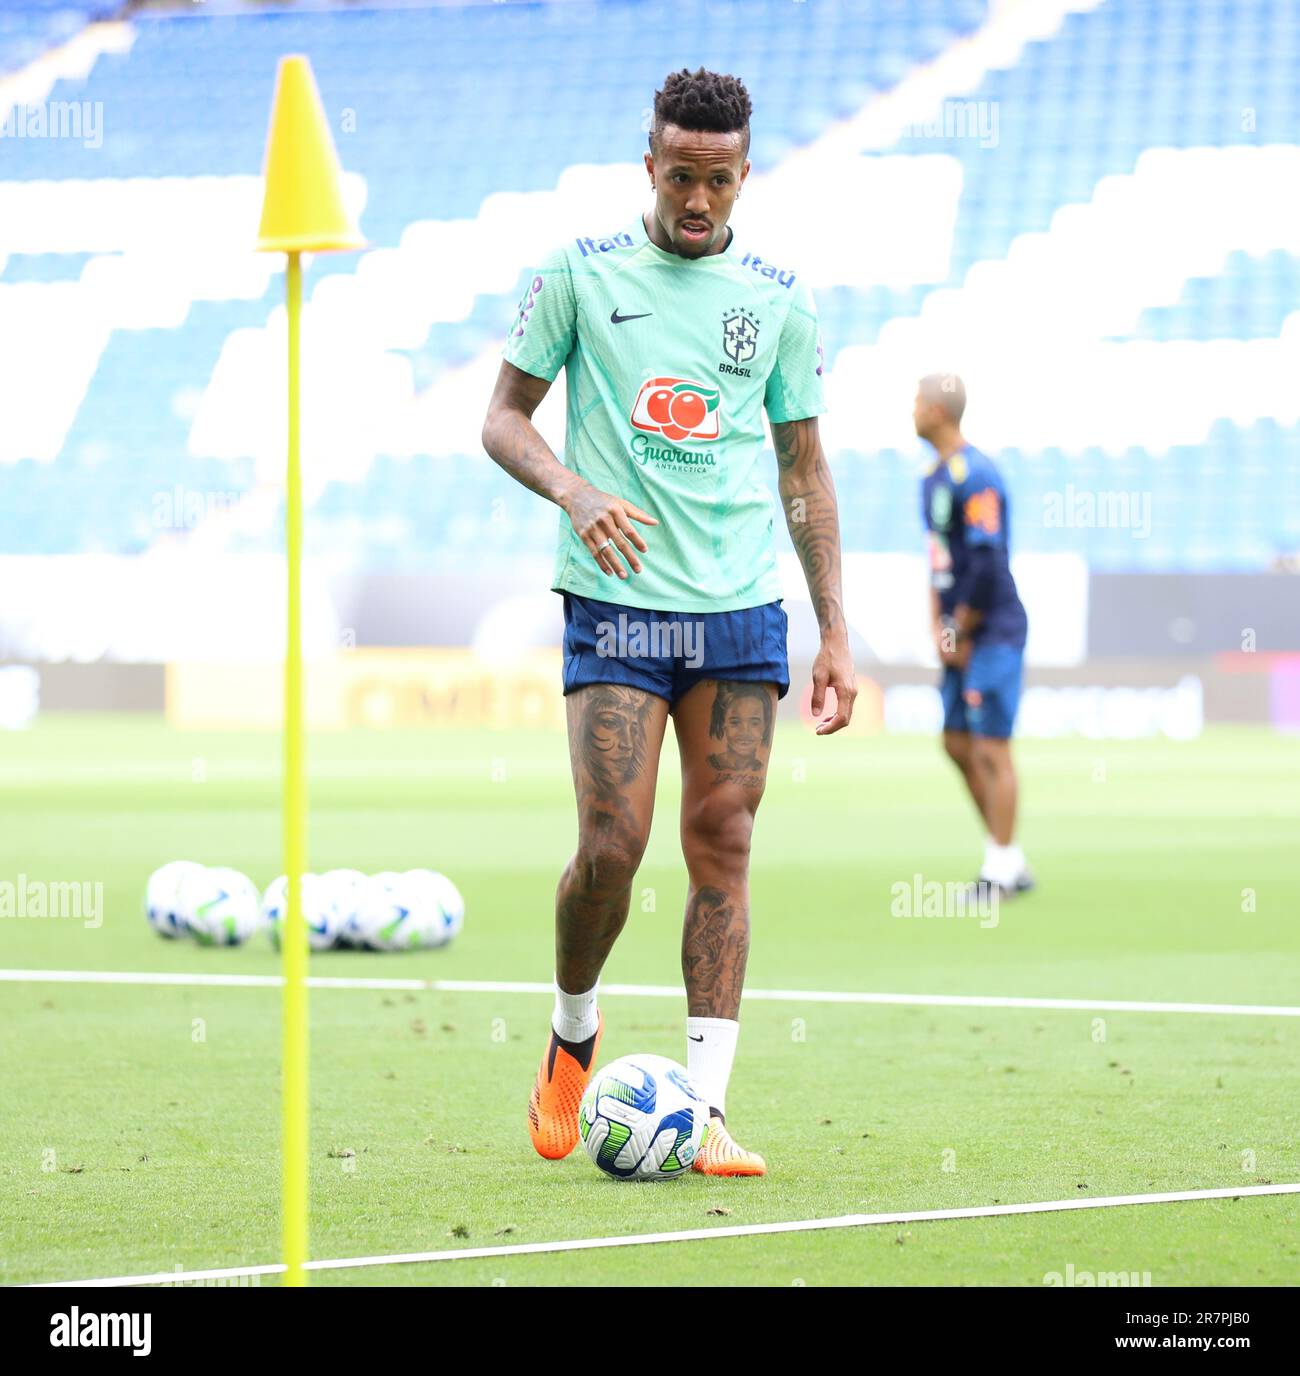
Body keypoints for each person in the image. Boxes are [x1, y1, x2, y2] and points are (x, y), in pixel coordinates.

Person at [482, 68, 856, 1176]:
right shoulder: (576, 276)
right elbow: (503, 418)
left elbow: (803, 468)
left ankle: (705, 1110)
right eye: (681, 176)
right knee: (612, 844)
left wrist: (834, 627)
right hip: (617, 604)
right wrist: (573, 491)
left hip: (740, 607)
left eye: (720, 180)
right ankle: (571, 1029)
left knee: (724, 844)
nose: (699, 199)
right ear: (650, 166)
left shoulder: (781, 298)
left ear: (745, 176)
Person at [914, 374, 1033, 898]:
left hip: (993, 630)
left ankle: (1000, 868)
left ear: (938, 411)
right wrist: (938, 623)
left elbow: (988, 561)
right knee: (956, 742)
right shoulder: (932, 478)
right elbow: (939, 558)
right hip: (957, 631)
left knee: (990, 749)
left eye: (917, 402)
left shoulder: (977, 475)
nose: (912, 411)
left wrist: (960, 625)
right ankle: (1009, 852)